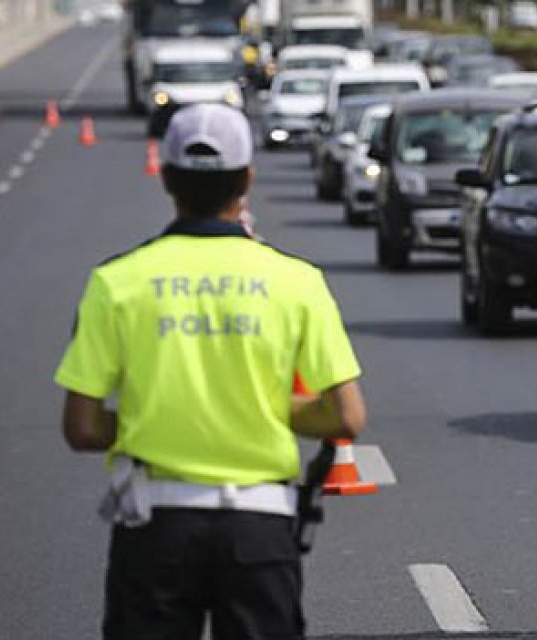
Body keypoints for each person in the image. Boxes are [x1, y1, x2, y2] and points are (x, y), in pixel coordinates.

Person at [55, 103, 367, 640]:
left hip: (155, 527)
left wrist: (150, 418)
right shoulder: (297, 282)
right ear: (247, 178)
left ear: (168, 178)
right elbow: (346, 416)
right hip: (260, 528)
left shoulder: (116, 282)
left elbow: (81, 427)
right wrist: (263, 410)